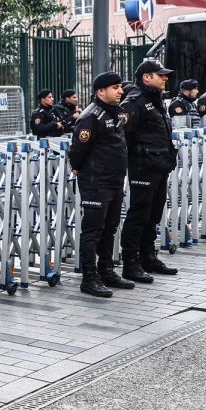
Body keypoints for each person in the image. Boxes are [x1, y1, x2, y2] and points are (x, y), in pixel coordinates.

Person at [69, 72, 133, 298]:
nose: (120, 91)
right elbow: (77, 149)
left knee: (110, 227)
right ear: (100, 91)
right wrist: (77, 169)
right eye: (115, 87)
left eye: (120, 87)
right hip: (97, 182)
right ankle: (89, 277)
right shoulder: (91, 117)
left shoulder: (114, 113)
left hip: (114, 181)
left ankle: (106, 271)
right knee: (93, 230)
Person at [120, 60, 179, 282]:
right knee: (138, 215)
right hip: (143, 168)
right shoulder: (135, 102)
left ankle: (148, 257)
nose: (165, 78)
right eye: (160, 75)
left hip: (160, 166)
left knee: (153, 215)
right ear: (146, 77)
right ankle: (130, 263)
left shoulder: (156, 100)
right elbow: (124, 138)